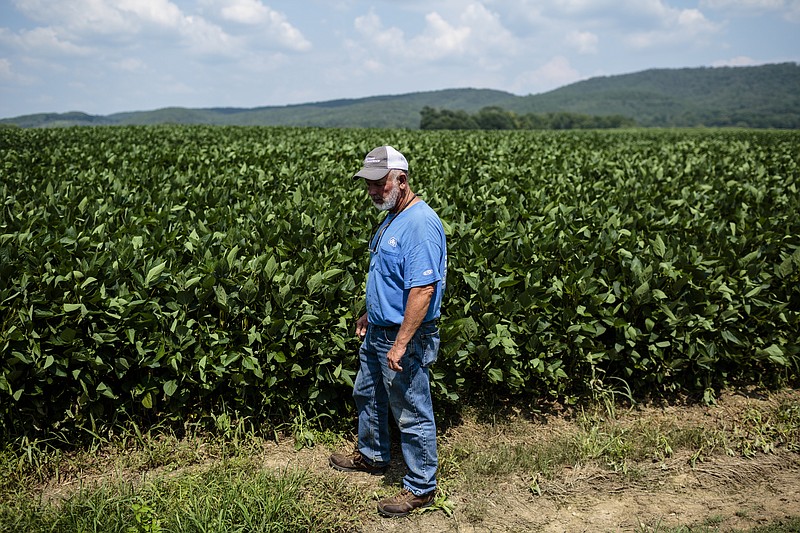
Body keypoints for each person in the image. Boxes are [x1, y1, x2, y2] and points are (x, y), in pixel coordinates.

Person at [329, 145, 447, 518]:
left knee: (411, 409)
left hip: (405, 336)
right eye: (369, 185)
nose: (373, 192)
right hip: (380, 329)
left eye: (380, 184)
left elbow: (423, 289)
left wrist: (400, 343)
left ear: (402, 180)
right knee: (368, 394)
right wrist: (370, 312)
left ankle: (421, 487)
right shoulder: (392, 217)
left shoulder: (420, 223)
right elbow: (389, 276)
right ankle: (373, 455)